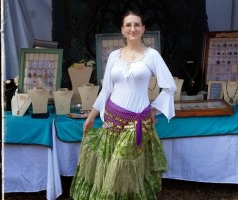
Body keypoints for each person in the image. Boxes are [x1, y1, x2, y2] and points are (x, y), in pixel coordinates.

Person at [70, 9, 177, 200]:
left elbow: (169, 86)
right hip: (111, 120)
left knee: (122, 167)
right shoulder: (114, 56)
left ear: (143, 28)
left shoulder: (152, 56)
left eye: (137, 24)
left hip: (136, 123)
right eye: (128, 24)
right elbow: (106, 90)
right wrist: (92, 116)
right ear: (122, 29)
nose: (133, 28)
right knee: (112, 167)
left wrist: (154, 109)